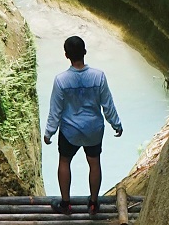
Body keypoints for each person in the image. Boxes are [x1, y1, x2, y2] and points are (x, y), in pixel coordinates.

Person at [43, 35, 122, 215]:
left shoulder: (61, 80)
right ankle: (93, 203)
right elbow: (107, 105)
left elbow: (55, 110)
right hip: (93, 130)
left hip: (70, 130)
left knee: (64, 161)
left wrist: (49, 132)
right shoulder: (98, 77)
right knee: (94, 163)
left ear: (66, 55)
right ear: (85, 52)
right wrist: (116, 124)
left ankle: (65, 203)